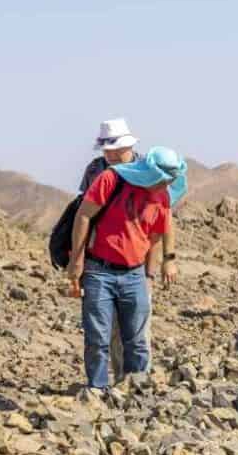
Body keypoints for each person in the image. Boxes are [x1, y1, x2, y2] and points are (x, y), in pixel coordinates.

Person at [66, 147, 186, 391]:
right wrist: (76, 262)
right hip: (99, 270)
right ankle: (97, 390)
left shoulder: (161, 196)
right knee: (97, 339)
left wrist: (150, 274)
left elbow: (156, 235)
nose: (166, 186)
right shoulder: (111, 179)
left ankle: (135, 390)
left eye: (170, 181)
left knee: (137, 340)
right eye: (163, 180)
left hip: (134, 274)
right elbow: (83, 216)